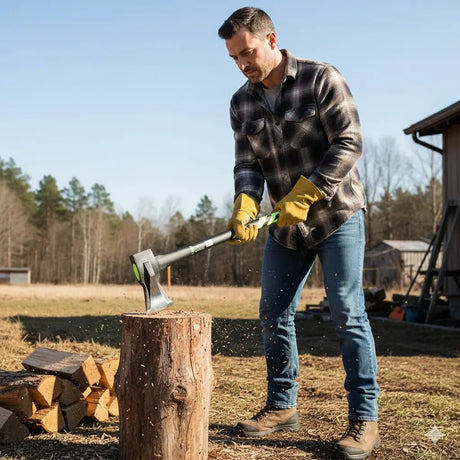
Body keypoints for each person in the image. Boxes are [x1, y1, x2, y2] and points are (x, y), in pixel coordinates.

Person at [218, 7, 380, 460]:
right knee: (273, 311)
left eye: (247, 53)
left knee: (347, 313)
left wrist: (309, 191)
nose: (243, 64)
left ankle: (364, 418)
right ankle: (282, 404)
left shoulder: (321, 78)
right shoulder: (241, 102)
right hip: (285, 228)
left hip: (336, 217)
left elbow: (350, 141)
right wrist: (246, 200)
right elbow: (246, 163)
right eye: (234, 58)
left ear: (272, 41)